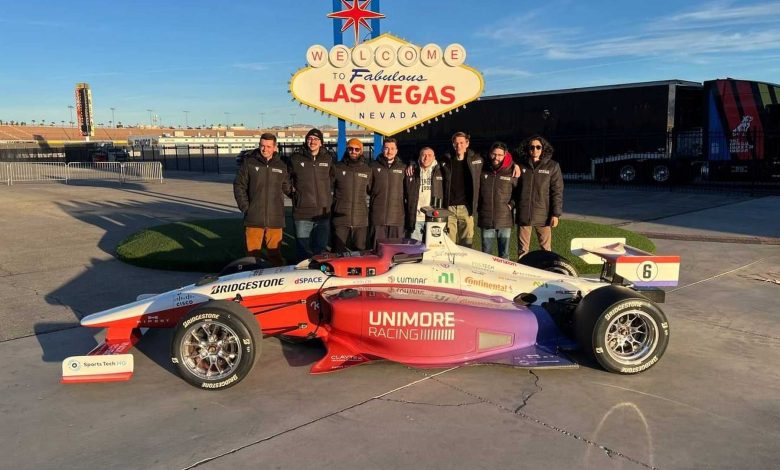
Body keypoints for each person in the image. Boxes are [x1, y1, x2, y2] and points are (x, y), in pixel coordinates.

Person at [233, 133, 292, 267]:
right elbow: (239, 185)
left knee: (275, 254)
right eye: (262, 146)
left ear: (275, 147)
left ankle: (277, 281)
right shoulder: (249, 163)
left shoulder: (282, 165)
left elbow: (288, 188)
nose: (265, 149)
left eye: (268, 146)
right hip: (254, 218)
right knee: (252, 255)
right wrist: (246, 208)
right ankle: (253, 280)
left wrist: (301, 196)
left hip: (275, 218)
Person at [288, 128, 336, 260]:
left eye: (316, 139)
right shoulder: (296, 158)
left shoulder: (328, 159)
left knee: (320, 251)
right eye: (310, 139)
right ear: (306, 141)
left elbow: (332, 178)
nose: (312, 141)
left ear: (321, 143)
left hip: (322, 214)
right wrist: (295, 195)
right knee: (303, 252)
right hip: (302, 214)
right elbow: (286, 179)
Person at [515, 134, 564, 260]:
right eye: (532, 147)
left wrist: (556, 214)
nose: (535, 150)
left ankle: (547, 271)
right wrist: (514, 165)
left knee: (546, 250)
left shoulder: (552, 166)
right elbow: (506, 157)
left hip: (544, 215)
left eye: (538, 147)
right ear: (528, 149)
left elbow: (557, 191)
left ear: (543, 149)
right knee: (522, 251)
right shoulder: (520, 165)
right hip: (524, 213)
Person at [440, 131, 483, 248]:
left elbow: (496, 161)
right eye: (456, 143)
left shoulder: (477, 160)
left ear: (467, 143)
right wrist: (412, 163)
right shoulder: (446, 161)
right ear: (453, 145)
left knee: (467, 246)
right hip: (450, 208)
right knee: (448, 246)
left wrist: (514, 164)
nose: (459, 146)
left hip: (466, 209)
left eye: (461, 143)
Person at [331, 138, 373, 252]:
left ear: (361, 151)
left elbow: (372, 190)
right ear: (347, 149)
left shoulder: (367, 170)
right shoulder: (337, 167)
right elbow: (327, 188)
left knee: (360, 254)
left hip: (360, 220)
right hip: (341, 219)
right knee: (338, 254)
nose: (353, 151)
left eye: (356, 149)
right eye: (350, 148)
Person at [477, 142, 516, 259]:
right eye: (494, 154)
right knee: (486, 254)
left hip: (504, 220)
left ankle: (505, 277)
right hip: (486, 219)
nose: (496, 157)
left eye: (500, 155)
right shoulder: (482, 168)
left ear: (505, 155)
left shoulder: (512, 171)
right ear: (489, 154)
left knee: (504, 255)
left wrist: (511, 205)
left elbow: (518, 192)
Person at [403, 147, 447, 240]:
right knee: (415, 250)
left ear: (434, 157)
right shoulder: (412, 170)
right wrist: (411, 163)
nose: (426, 158)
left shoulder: (441, 171)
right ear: (419, 157)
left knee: (432, 250)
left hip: (433, 218)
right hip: (416, 218)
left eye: (429, 155)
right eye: (424, 155)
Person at [369, 137, 406, 246]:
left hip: (396, 219)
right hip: (377, 218)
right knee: (377, 252)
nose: (389, 151)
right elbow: (367, 188)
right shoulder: (372, 166)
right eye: (386, 148)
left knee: (396, 252)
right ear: (382, 149)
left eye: (392, 148)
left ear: (396, 151)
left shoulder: (403, 167)